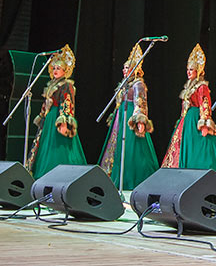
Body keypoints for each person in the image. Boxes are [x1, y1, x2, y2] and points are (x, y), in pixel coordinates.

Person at [162, 44, 216, 181]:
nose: (188, 72)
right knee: (185, 147)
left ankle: (207, 178)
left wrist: (205, 124)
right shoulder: (189, 86)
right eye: (187, 69)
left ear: (198, 70)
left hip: (195, 120)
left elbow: (205, 104)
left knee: (200, 148)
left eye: (191, 69)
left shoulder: (201, 86)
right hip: (186, 120)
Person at [98, 43, 158, 190]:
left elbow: (140, 102)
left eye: (127, 68)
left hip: (131, 118)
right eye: (124, 68)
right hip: (121, 117)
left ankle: (132, 180)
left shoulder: (138, 84)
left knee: (132, 150)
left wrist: (140, 121)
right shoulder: (124, 84)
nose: (124, 70)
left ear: (135, 69)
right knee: (117, 148)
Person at [27, 44, 87, 178]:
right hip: (49, 118)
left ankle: (63, 175)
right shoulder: (51, 85)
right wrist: (42, 115)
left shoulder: (66, 85)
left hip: (58, 118)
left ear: (65, 71)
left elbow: (67, 103)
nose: (55, 70)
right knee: (45, 146)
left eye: (58, 68)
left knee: (59, 147)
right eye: (54, 68)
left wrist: (64, 121)